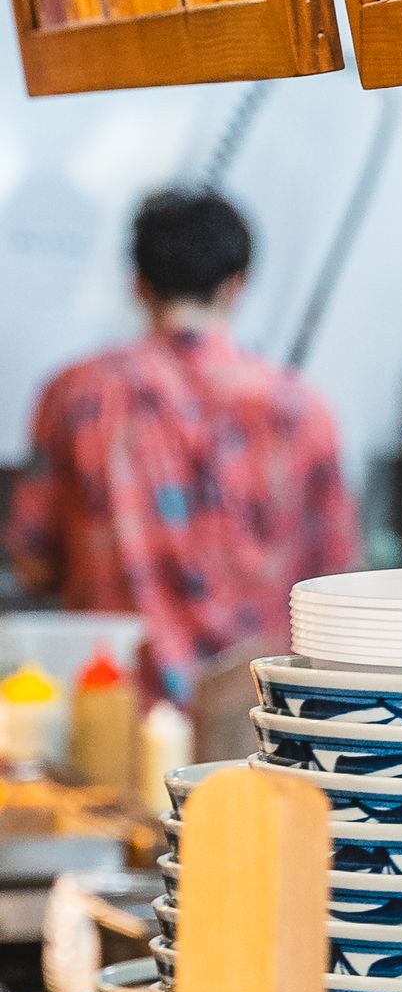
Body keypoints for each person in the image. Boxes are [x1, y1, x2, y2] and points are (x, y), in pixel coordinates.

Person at [6, 188, 358, 706]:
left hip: (116, 710)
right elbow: (336, 580)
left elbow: (33, 563)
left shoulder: (78, 397)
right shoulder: (301, 410)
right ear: (237, 285)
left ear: (139, 283)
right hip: (258, 716)